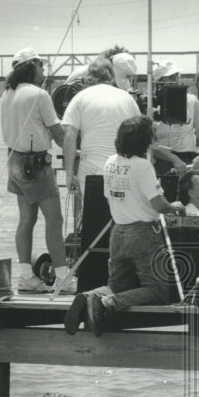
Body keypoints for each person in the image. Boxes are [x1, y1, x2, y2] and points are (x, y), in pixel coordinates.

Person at [64, 117, 181, 336]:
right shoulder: (143, 166)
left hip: (118, 232)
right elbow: (158, 204)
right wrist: (175, 206)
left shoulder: (110, 162)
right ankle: (107, 302)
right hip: (143, 234)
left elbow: (110, 198)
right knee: (157, 292)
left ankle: (90, 296)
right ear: (144, 140)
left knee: (118, 284)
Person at [0, 47, 73, 294]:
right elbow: (58, 133)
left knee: (27, 219)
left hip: (14, 161)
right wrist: (76, 152)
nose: (44, 70)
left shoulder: (7, 93)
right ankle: (63, 279)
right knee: (55, 219)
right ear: (31, 67)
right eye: (41, 66)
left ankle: (26, 277)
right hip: (36, 165)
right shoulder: (39, 95)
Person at [61, 58, 141, 195]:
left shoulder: (79, 98)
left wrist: (69, 174)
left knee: (92, 214)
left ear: (89, 78)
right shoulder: (127, 98)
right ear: (111, 77)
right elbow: (139, 132)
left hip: (91, 169)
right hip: (122, 167)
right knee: (121, 215)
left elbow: (69, 136)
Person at [151, 60, 199, 177]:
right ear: (159, 82)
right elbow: (150, 143)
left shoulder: (192, 101)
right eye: (170, 77)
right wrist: (173, 159)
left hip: (189, 159)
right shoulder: (150, 105)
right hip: (163, 159)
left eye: (176, 76)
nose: (175, 80)